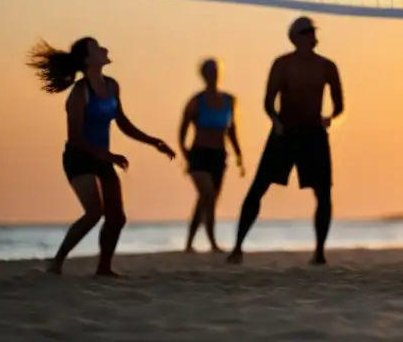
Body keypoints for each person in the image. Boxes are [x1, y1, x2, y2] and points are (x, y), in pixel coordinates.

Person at [27, 37, 176, 276]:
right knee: (94, 212)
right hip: (79, 158)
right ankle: (57, 263)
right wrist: (109, 156)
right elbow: (75, 138)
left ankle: (104, 268)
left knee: (117, 218)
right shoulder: (79, 93)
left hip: (103, 158)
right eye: (97, 48)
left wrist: (153, 142)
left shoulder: (112, 85)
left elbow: (123, 123)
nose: (104, 48)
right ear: (88, 59)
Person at [228, 17, 344, 265]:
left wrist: (330, 117)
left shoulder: (327, 66)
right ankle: (237, 247)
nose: (311, 35)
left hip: (313, 133)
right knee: (258, 188)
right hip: (285, 132)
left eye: (312, 31)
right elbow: (268, 101)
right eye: (305, 31)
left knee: (323, 193)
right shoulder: (282, 64)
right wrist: (276, 121)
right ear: (295, 37)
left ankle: (319, 251)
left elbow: (339, 104)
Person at [179, 58, 244, 253]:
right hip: (199, 155)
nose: (213, 74)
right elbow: (182, 130)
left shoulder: (230, 100)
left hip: (219, 156)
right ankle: (212, 241)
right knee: (207, 195)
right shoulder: (196, 101)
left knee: (207, 200)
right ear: (203, 75)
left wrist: (239, 154)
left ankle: (190, 243)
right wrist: (185, 153)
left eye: (216, 71)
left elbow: (232, 130)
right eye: (209, 71)